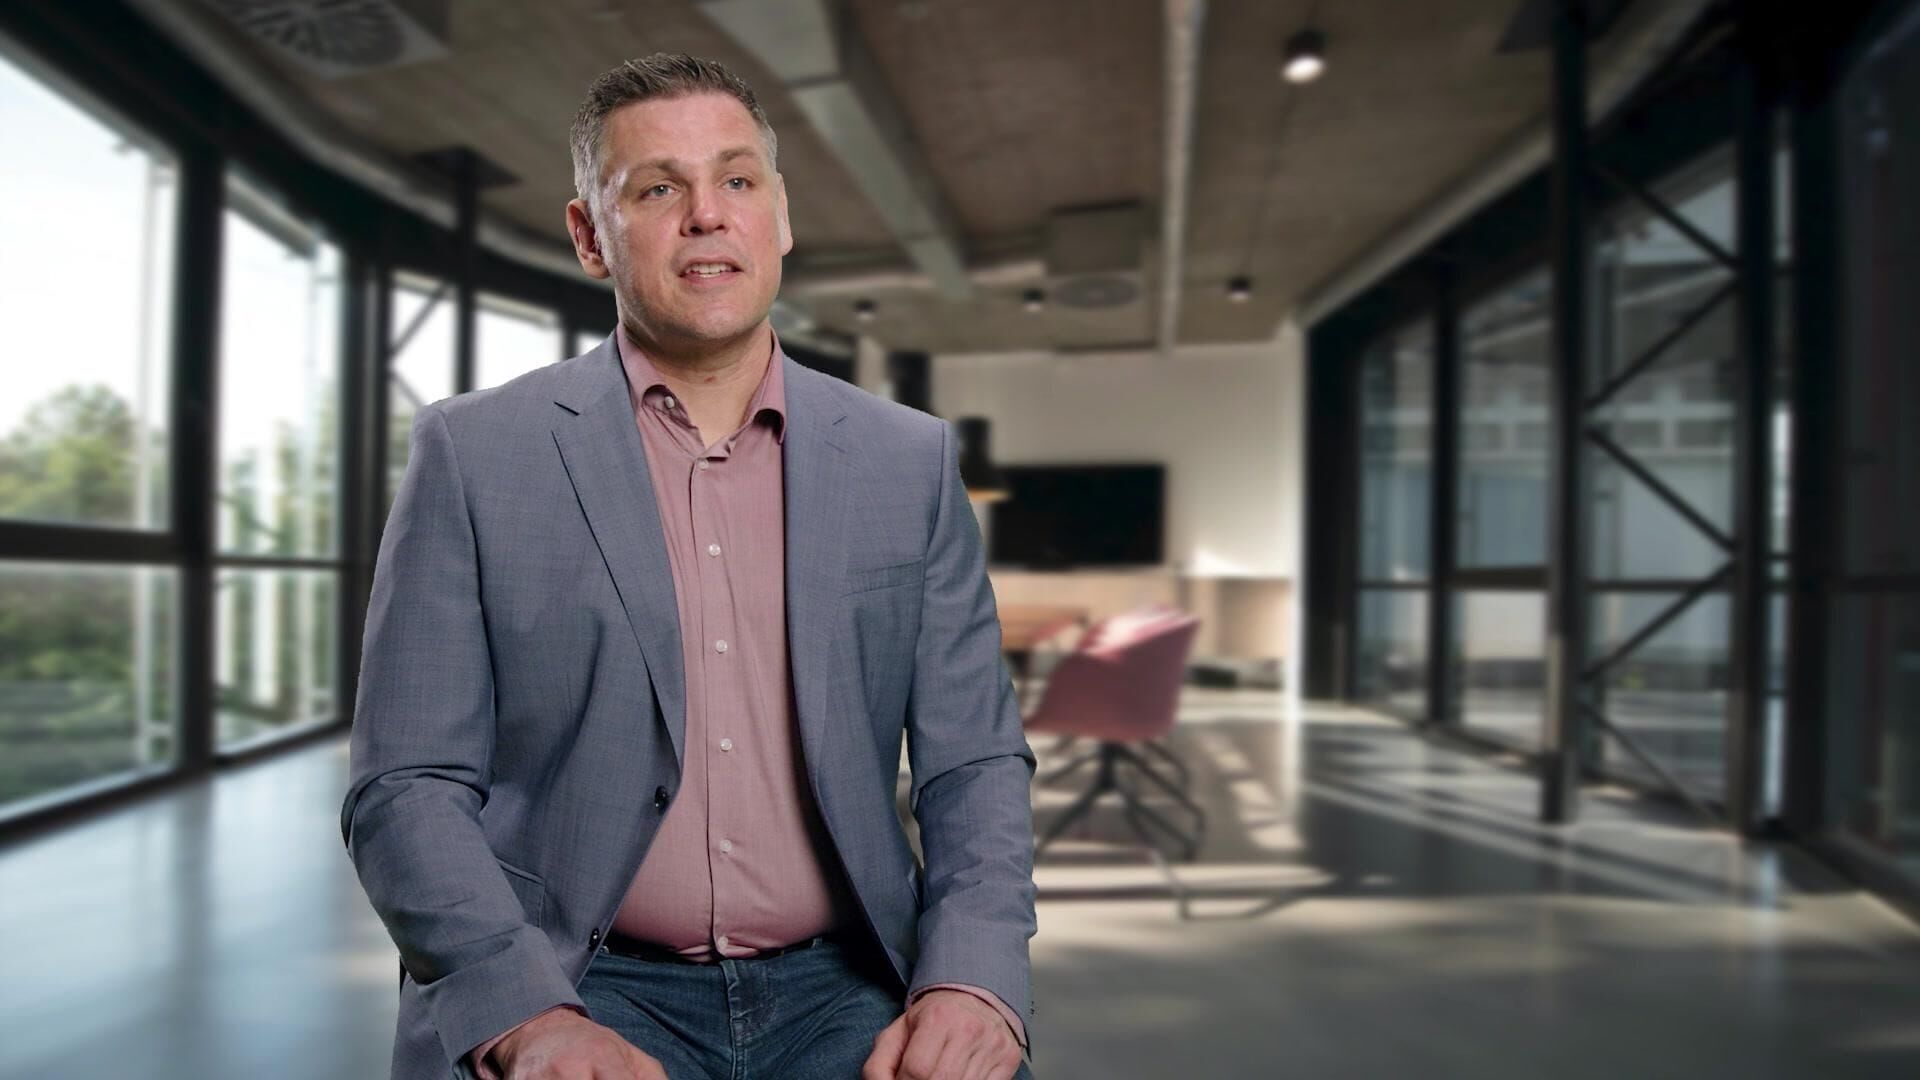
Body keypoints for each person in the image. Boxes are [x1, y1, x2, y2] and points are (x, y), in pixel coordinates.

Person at [340, 53, 1036, 1080]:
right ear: (590, 236)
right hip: (574, 980)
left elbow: (973, 760)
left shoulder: (908, 459)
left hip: (852, 983)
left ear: (780, 217)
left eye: (737, 180)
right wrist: (528, 1014)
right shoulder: (474, 453)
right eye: (658, 189)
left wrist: (973, 980)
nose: (708, 215)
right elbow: (406, 785)